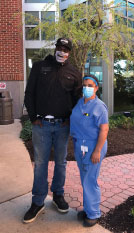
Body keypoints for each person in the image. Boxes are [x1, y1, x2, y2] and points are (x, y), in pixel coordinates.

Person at [23, 38, 82, 223]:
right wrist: (33, 117)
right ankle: (38, 201)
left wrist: (70, 120)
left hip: (62, 126)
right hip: (42, 126)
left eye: (65, 49)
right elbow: (29, 94)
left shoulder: (74, 73)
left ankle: (58, 195)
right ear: (55, 48)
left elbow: (77, 100)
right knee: (40, 164)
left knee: (61, 163)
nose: (62, 51)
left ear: (69, 53)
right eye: (59, 47)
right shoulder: (40, 67)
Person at [70, 74, 109, 227]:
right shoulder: (80, 102)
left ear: (96, 88)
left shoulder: (99, 106)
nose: (87, 88)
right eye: (85, 85)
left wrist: (97, 151)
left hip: (94, 147)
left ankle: (94, 213)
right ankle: (87, 209)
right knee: (84, 179)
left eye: (90, 85)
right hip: (80, 146)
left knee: (90, 180)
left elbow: (104, 130)